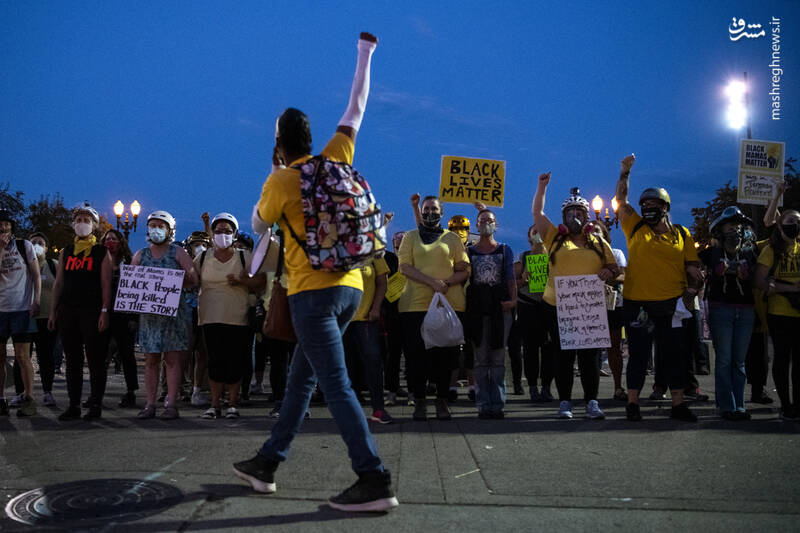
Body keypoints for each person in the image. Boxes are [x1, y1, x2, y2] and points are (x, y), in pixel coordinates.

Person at [233, 32, 399, 513]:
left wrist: (274, 171)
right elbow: (357, 106)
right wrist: (365, 54)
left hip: (312, 295)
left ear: (279, 143)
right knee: (302, 380)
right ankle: (267, 462)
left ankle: (374, 478)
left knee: (336, 385)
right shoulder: (336, 156)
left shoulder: (282, 181)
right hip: (351, 286)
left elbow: (257, 224)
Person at [614, 154, 703, 422]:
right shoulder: (634, 226)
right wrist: (625, 172)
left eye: (654, 204)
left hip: (671, 305)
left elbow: (693, 268)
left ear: (665, 207)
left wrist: (692, 290)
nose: (648, 207)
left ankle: (678, 404)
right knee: (638, 356)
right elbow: (621, 201)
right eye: (645, 204)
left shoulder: (682, 234)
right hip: (638, 303)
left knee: (673, 356)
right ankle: (632, 404)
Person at [532, 175, 617, 420]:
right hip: (558, 307)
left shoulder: (598, 242)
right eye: (570, 213)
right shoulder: (554, 238)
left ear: (587, 216)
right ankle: (565, 402)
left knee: (590, 356)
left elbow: (614, 268)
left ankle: (592, 401)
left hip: (589, 308)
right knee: (563, 356)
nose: (574, 217)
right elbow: (537, 213)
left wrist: (608, 272)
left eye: (579, 212)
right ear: (563, 217)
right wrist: (542, 186)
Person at [399, 195, 470, 421]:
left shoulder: (452, 238)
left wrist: (445, 283)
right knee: (416, 356)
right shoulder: (410, 237)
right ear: (421, 212)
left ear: (442, 212)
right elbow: (405, 267)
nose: (431, 212)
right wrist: (432, 282)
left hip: (446, 304)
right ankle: (420, 401)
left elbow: (464, 269)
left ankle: (441, 401)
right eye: (426, 208)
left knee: (445, 357)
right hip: (415, 305)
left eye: (434, 209)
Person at [48, 204, 111, 421]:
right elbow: (58, 283)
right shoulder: (66, 251)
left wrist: (105, 311)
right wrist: (53, 312)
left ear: (94, 226)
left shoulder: (101, 252)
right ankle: (73, 404)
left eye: (86, 220)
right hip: (68, 310)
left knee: (95, 359)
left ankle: (95, 404)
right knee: (72, 359)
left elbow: (105, 284)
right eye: (78, 220)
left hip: (92, 310)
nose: (81, 224)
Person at [132, 210, 198, 420]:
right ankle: (150, 403)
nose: (156, 230)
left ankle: (171, 403)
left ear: (169, 230)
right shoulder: (140, 255)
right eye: (153, 225)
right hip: (150, 316)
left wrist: (177, 281)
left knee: (172, 359)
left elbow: (193, 279)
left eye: (161, 226)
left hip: (172, 315)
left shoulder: (178, 253)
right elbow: (132, 282)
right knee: (151, 359)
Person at [196, 213, 262, 419]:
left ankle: (232, 403)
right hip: (210, 317)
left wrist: (242, 281)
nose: (222, 234)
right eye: (218, 231)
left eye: (226, 231)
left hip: (237, 318)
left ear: (234, 234)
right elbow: (190, 278)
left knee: (235, 361)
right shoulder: (203, 257)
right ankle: (215, 404)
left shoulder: (244, 257)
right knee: (215, 361)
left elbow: (261, 282)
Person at [700, 207, 757, 420]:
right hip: (720, 308)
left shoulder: (751, 252)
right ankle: (726, 406)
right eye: (730, 226)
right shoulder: (711, 253)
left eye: (739, 226)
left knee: (739, 361)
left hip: (746, 310)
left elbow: (758, 274)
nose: (735, 231)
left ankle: (739, 405)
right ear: (721, 229)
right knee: (724, 359)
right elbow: (694, 265)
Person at [465, 208, 516, 418]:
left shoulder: (504, 250)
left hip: (499, 310)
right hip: (478, 310)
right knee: (480, 358)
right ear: (477, 226)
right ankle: (483, 404)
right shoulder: (469, 251)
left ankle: (498, 404)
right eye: (482, 220)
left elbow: (510, 278)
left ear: (496, 225)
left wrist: (513, 300)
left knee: (497, 357)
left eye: (490, 220)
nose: (486, 223)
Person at [754, 210, 800, 420]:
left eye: (798, 222)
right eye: (791, 221)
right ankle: (785, 404)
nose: (795, 225)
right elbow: (759, 280)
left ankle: (797, 404)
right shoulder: (771, 250)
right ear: (780, 225)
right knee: (782, 358)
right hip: (779, 313)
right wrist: (789, 288)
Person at [0, 209, 42, 417]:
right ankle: (1, 399)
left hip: (21, 308)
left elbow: (36, 275)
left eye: (7, 224)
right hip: (1, 309)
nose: (3, 228)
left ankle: (29, 397)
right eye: (0, 225)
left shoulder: (24, 246)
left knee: (22, 356)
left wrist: (36, 299)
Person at [8, 232, 57, 408]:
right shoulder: (21, 265)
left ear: (46, 248)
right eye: (33, 242)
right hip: (25, 316)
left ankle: (47, 392)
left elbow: (60, 289)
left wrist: (55, 314)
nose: (36, 245)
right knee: (21, 357)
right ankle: (20, 392)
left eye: (40, 243)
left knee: (46, 357)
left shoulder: (53, 265)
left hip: (46, 318)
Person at [343, 255, 393, 423]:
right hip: (340, 320)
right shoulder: (332, 247)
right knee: (343, 366)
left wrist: (376, 308)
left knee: (373, 363)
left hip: (366, 318)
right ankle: (346, 411)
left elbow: (382, 282)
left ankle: (378, 408)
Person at [514, 224, 556, 402]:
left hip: (548, 306)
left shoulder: (554, 256)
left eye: (541, 230)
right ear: (529, 236)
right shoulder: (523, 257)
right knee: (530, 349)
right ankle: (532, 387)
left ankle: (546, 387)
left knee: (549, 349)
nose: (538, 233)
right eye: (534, 231)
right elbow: (513, 284)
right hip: (528, 306)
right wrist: (523, 279)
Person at [100, 229, 140, 408]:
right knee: (101, 355)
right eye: (107, 239)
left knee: (127, 355)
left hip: (124, 316)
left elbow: (136, 291)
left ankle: (131, 391)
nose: (110, 242)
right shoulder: (99, 262)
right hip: (105, 314)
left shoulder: (130, 263)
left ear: (121, 242)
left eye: (114, 239)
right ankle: (97, 392)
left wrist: (134, 317)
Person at [591, 223, 628, 402]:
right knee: (591, 349)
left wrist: (608, 277)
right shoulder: (584, 256)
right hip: (591, 306)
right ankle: (591, 392)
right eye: (591, 231)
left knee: (614, 347)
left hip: (613, 305)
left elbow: (624, 276)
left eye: (598, 231)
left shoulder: (616, 253)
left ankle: (618, 387)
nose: (595, 234)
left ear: (605, 234)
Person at [381, 230, 408, 406]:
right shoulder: (388, 259)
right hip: (391, 312)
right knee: (392, 354)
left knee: (412, 353)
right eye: (398, 246)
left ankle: (413, 390)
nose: (400, 249)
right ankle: (392, 388)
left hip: (411, 310)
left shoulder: (413, 259)